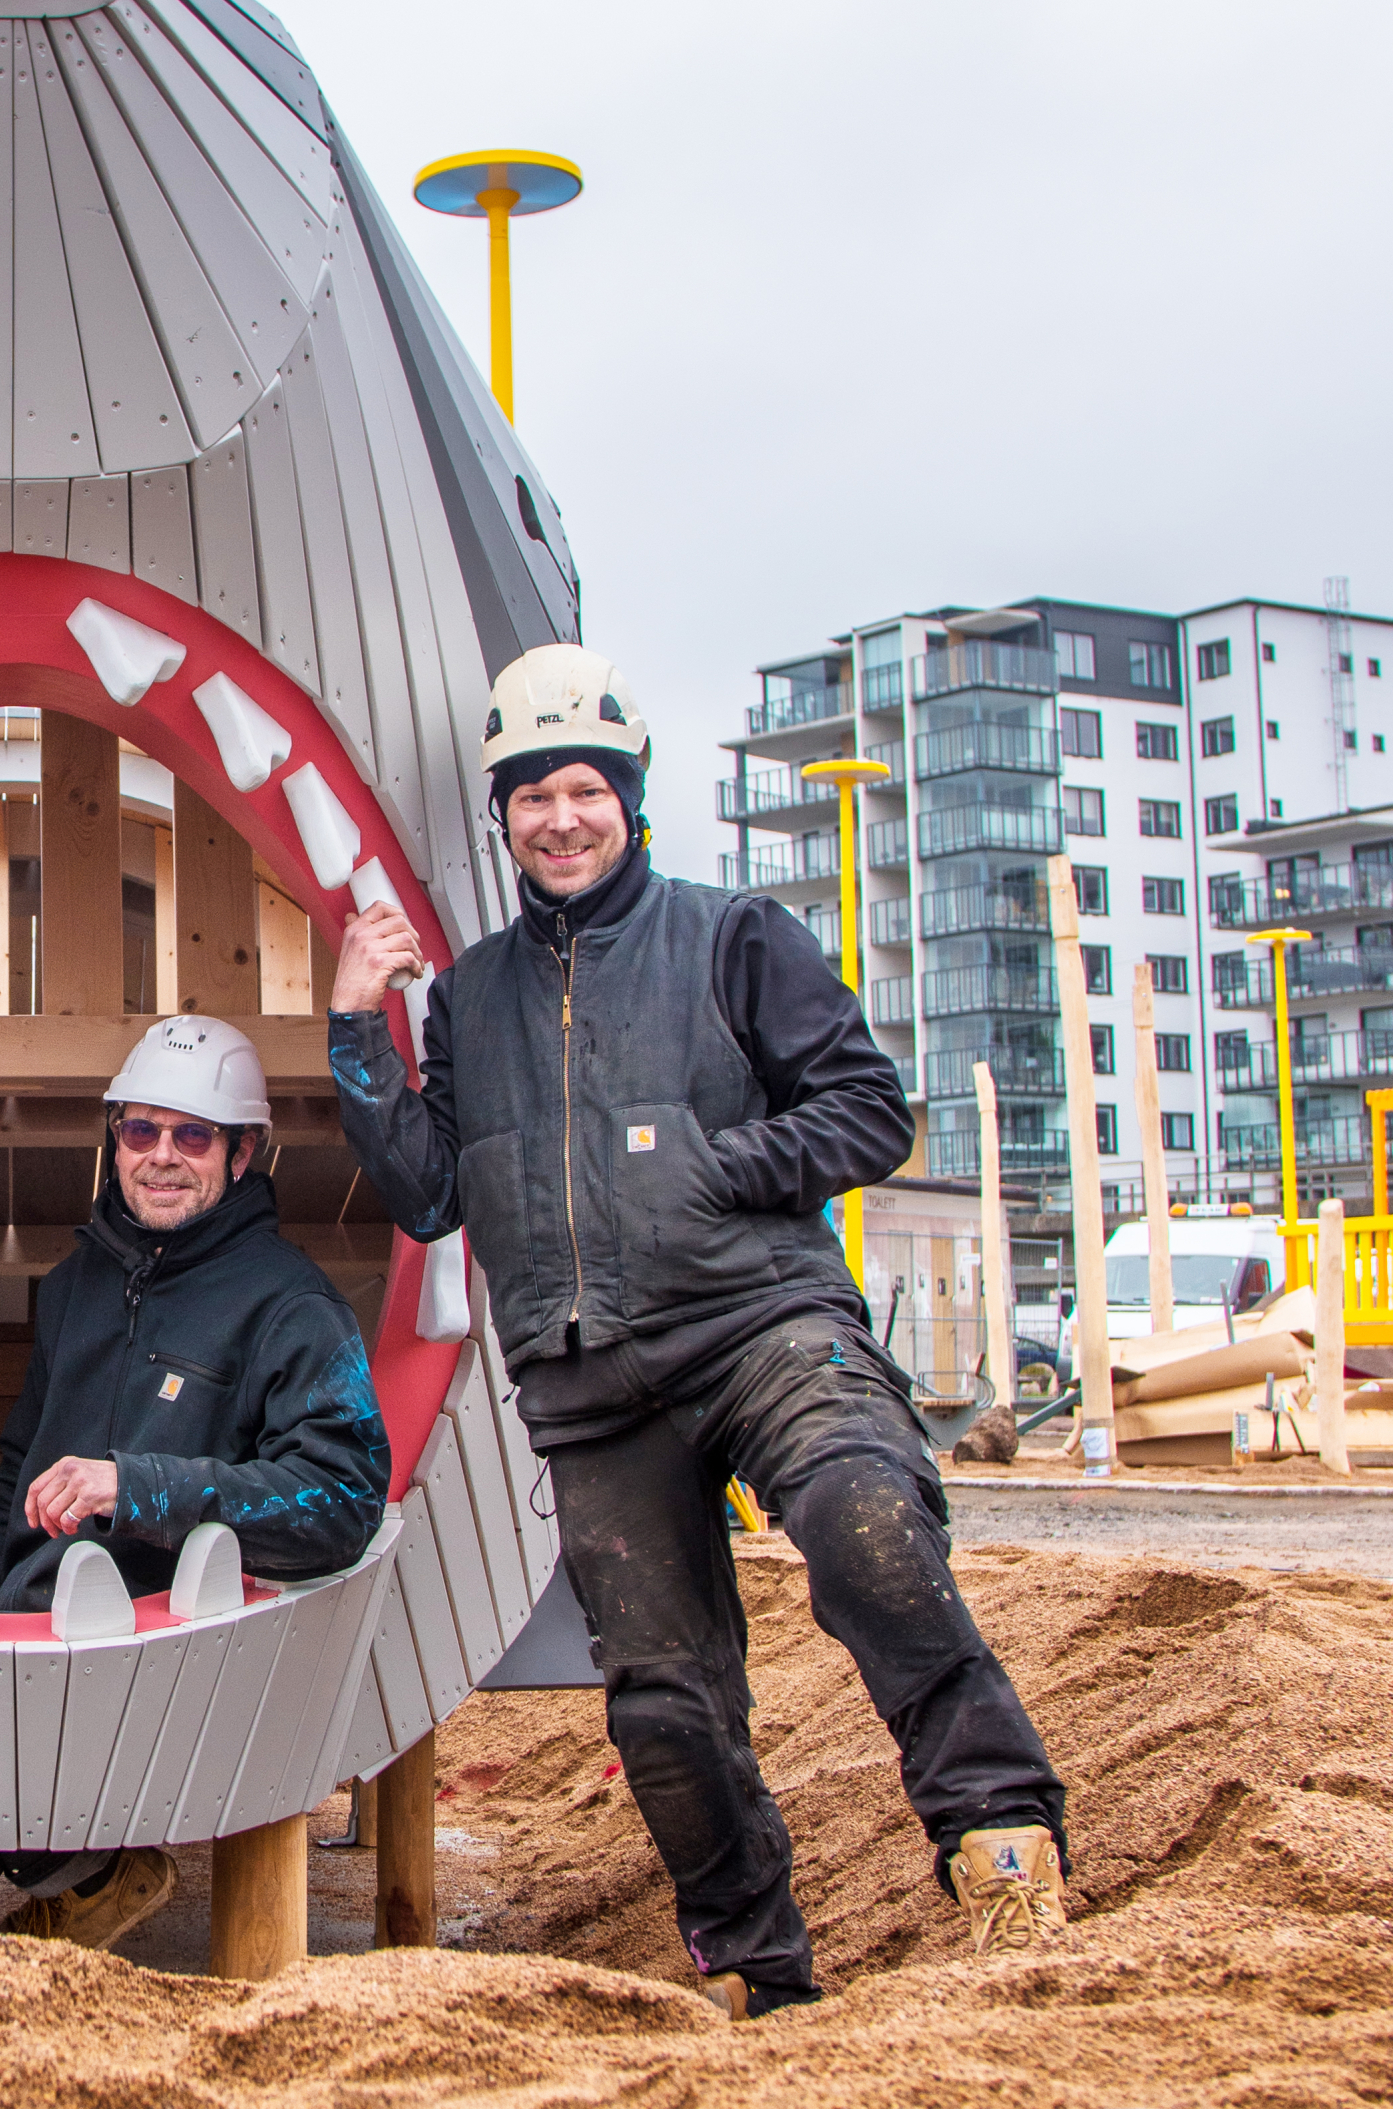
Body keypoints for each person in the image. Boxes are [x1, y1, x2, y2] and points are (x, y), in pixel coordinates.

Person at [329, 647, 1069, 2017]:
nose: (559, 817)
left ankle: (1001, 1837)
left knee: (867, 1526)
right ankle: (756, 1968)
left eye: (583, 789)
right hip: (594, 1385)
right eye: (531, 796)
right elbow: (429, 1191)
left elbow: (867, 1110)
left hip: (759, 1324)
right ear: (501, 819)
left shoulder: (733, 936)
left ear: (629, 798)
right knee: (666, 1709)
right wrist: (356, 1024)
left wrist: (713, 1168)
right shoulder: (469, 997)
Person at [0, 1014, 391, 1946]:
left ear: (244, 1152)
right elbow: (14, 1478)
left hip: (176, 1673)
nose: (161, 1157)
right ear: (114, 1141)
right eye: (140, 1131)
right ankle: (51, 1932)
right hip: (30, 1656)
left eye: (193, 1136)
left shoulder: (292, 1304)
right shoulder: (76, 1286)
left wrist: (142, 1487)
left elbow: (341, 1503)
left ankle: (91, 1870)